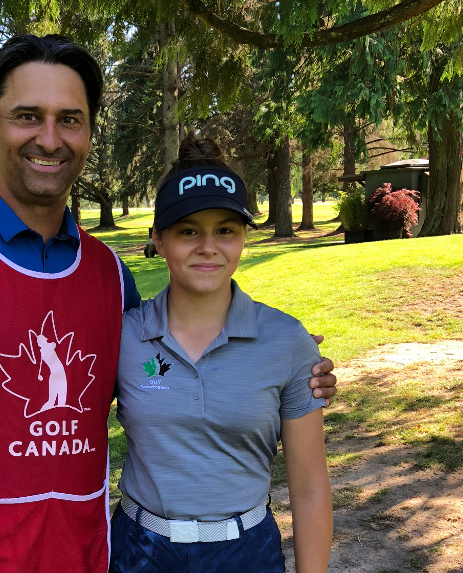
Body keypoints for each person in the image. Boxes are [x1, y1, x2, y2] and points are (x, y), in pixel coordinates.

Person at [0, 35, 338, 573]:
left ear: (89, 132)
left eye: (70, 119)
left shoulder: (106, 274)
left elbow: (168, 362)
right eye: (28, 116)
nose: (49, 139)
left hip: (82, 549)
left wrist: (290, 363)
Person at [110, 134, 333, 573]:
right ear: (158, 237)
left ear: (244, 236)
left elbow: (309, 489)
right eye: (188, 230)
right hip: (140, 551)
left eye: (225, 230)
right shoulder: (122, 335)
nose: (208, 246)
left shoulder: (286, 341)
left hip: (245, 552)